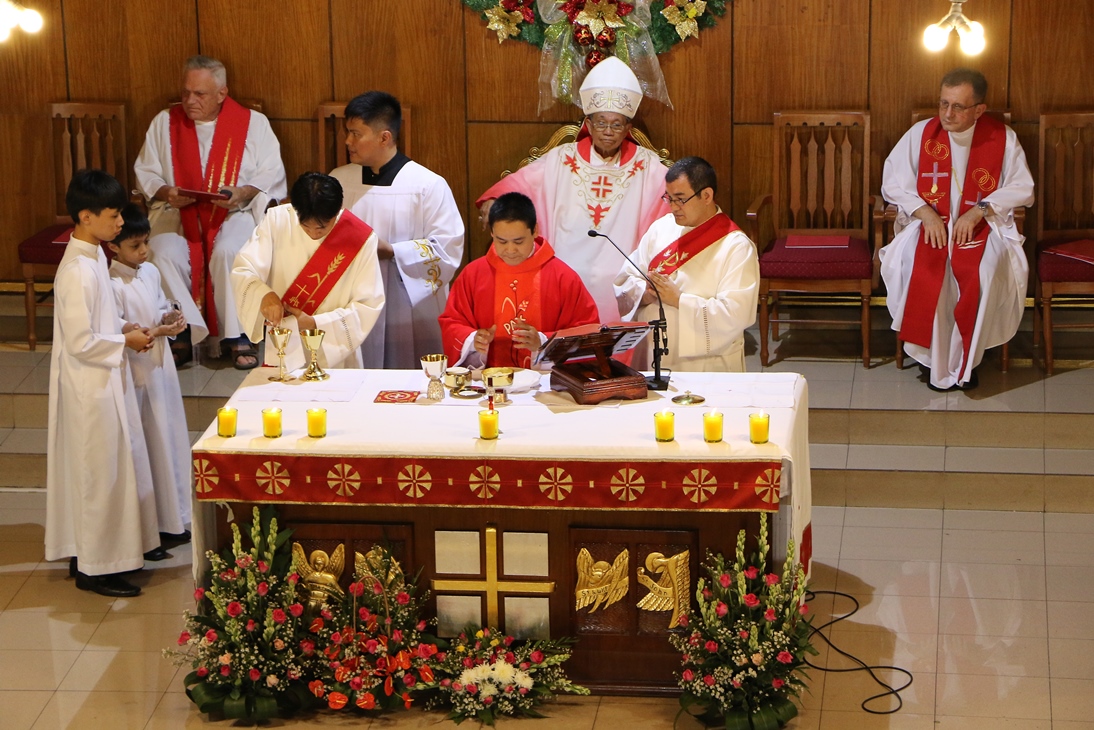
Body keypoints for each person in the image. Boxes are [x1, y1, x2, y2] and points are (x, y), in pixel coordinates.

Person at [477, 57, 670, 322]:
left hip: (623, 281)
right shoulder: (562, 158)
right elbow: (523, 183)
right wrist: (495, 199)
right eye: (601, 123)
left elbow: (675, 195)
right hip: (564, 275)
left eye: (616, 124)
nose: (608, 131)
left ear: (628, 128)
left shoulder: (647, 165)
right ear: (588, 125)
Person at [880, 68, 1035, 391]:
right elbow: (892, 182)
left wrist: (979, 211)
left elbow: (1023, 187)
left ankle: (968, 361)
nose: (947, 114)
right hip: (927, 224)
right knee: (923, 272)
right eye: (943, 104)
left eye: (958, 107)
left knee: (985, 273)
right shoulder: (921, 134)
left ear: (979, 110)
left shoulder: (1001, 138)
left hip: (982, 226)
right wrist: (925, 213)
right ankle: (933, 360)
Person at [45, 170, 161, 598]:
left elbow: (98, 319)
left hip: (105, 376)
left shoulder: (93, 253)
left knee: (108, 471)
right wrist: (123, 341)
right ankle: (95, 570)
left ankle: (92, 555)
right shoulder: (77, 269)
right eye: (113, 216)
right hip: (89, 388)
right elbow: (79, 342)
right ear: (86, 216)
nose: (120, 223)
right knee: (98, 475)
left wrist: (122, 326)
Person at [134, 55, 287, 370]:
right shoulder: (165, 122)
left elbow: (271, 174)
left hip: (233, 212)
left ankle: (238, 334)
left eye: (199, 94)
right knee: (162, 251)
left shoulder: (253, 123)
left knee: (231, 251)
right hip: (178, 213)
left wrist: (243, 192)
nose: (190, 100)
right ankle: (183, 331)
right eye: (186, 92)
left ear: (221, 93)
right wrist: (167, 192)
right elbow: (146, 172)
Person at [337, 91, 464, 369]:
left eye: (356, 134)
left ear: (384, 137)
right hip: (354, 300)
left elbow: (447, 248)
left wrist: (394, 251)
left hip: (407, 306)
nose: (348, 141)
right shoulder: (339, 182)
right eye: (348, 132)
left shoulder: (427, 185)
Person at [615, 157, 759, 372]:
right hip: (652, 355)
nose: (673, 207)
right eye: (669, 198)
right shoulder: (661, 229)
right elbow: (626, 278)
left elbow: (736, 314)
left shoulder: (736, 246)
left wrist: (679, 299)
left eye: (680, 199)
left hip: (704, 364)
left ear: (707, 195)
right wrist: (645, 293)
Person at [231, 172, 385, 371]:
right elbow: (244, 269)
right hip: (285, 342)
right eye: (305, 226)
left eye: (321, 228)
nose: (313, 233)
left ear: (338, 211)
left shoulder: (360, 238)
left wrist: (315, 323)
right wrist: (264, 295)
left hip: (335, 350)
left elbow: (368, 304)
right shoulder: (277, 221)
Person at [108, 204, 192, 546]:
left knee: (168, 436)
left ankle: (175, 517)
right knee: (149, 444)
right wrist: (154, 330)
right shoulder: (112, 283)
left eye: (146, 242)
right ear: (114, 246)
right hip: (136, 371)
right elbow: (119, 328)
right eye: (135, 245)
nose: (143, 251)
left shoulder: (150, 271)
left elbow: (157, 307)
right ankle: (154, 524)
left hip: (161, 368)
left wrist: (170, 318)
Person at [439, 192, 599, 369]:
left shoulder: (563, 277)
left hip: (545, 382)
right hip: (489, 379)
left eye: (518, 241)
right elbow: (452, 322)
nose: (510, 250)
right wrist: (472, 340)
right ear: (492, 233)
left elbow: (587, 331)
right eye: (501, 241)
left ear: (535, 230)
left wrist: (543, 342)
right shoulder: (473, 274)